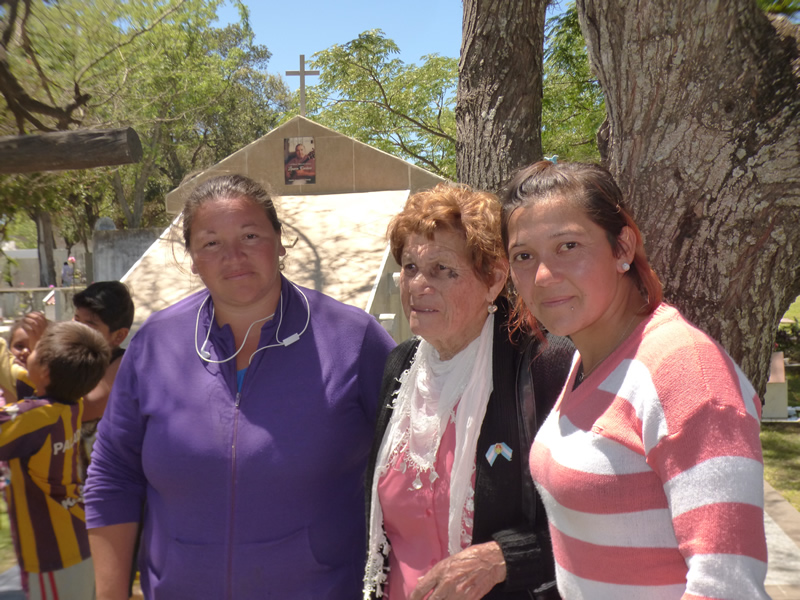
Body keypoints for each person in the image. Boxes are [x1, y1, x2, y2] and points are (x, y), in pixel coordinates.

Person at [84, 174, 396, 600]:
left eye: (250, 235)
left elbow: (415, 467)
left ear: (280, 242)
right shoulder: (155, 344)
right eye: (211, 242)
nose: (233, 256)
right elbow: (114, 476)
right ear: (192, 258)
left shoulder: (352, 339)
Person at [500, 160, 769, 599]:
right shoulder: (589, 358)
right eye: (524, 256)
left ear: (622, 247)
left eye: (568, 245)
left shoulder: (685, 371)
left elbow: (728, 586)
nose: (544, 276)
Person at [364, 183, 574, 600]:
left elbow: (600, 517)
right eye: (410, 267)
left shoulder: (544, 366)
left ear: (493, 279)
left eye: (443, 269)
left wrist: (504, 558)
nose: (418, 285)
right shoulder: (399, 366)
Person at [0, 320, 110, 600]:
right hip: (74, 539)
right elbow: (10, 368)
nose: (27, 353)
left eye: (36, 350)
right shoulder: (70, 401)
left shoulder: (34, 417)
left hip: (52, 553)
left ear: (45, 371)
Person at [72, 281, 134, 480]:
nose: (78, 329)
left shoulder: (122, 364)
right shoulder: (72, 362)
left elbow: (86, 406)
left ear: (119, 336)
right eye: (76, 319)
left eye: (89, 325)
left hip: (99, 484)